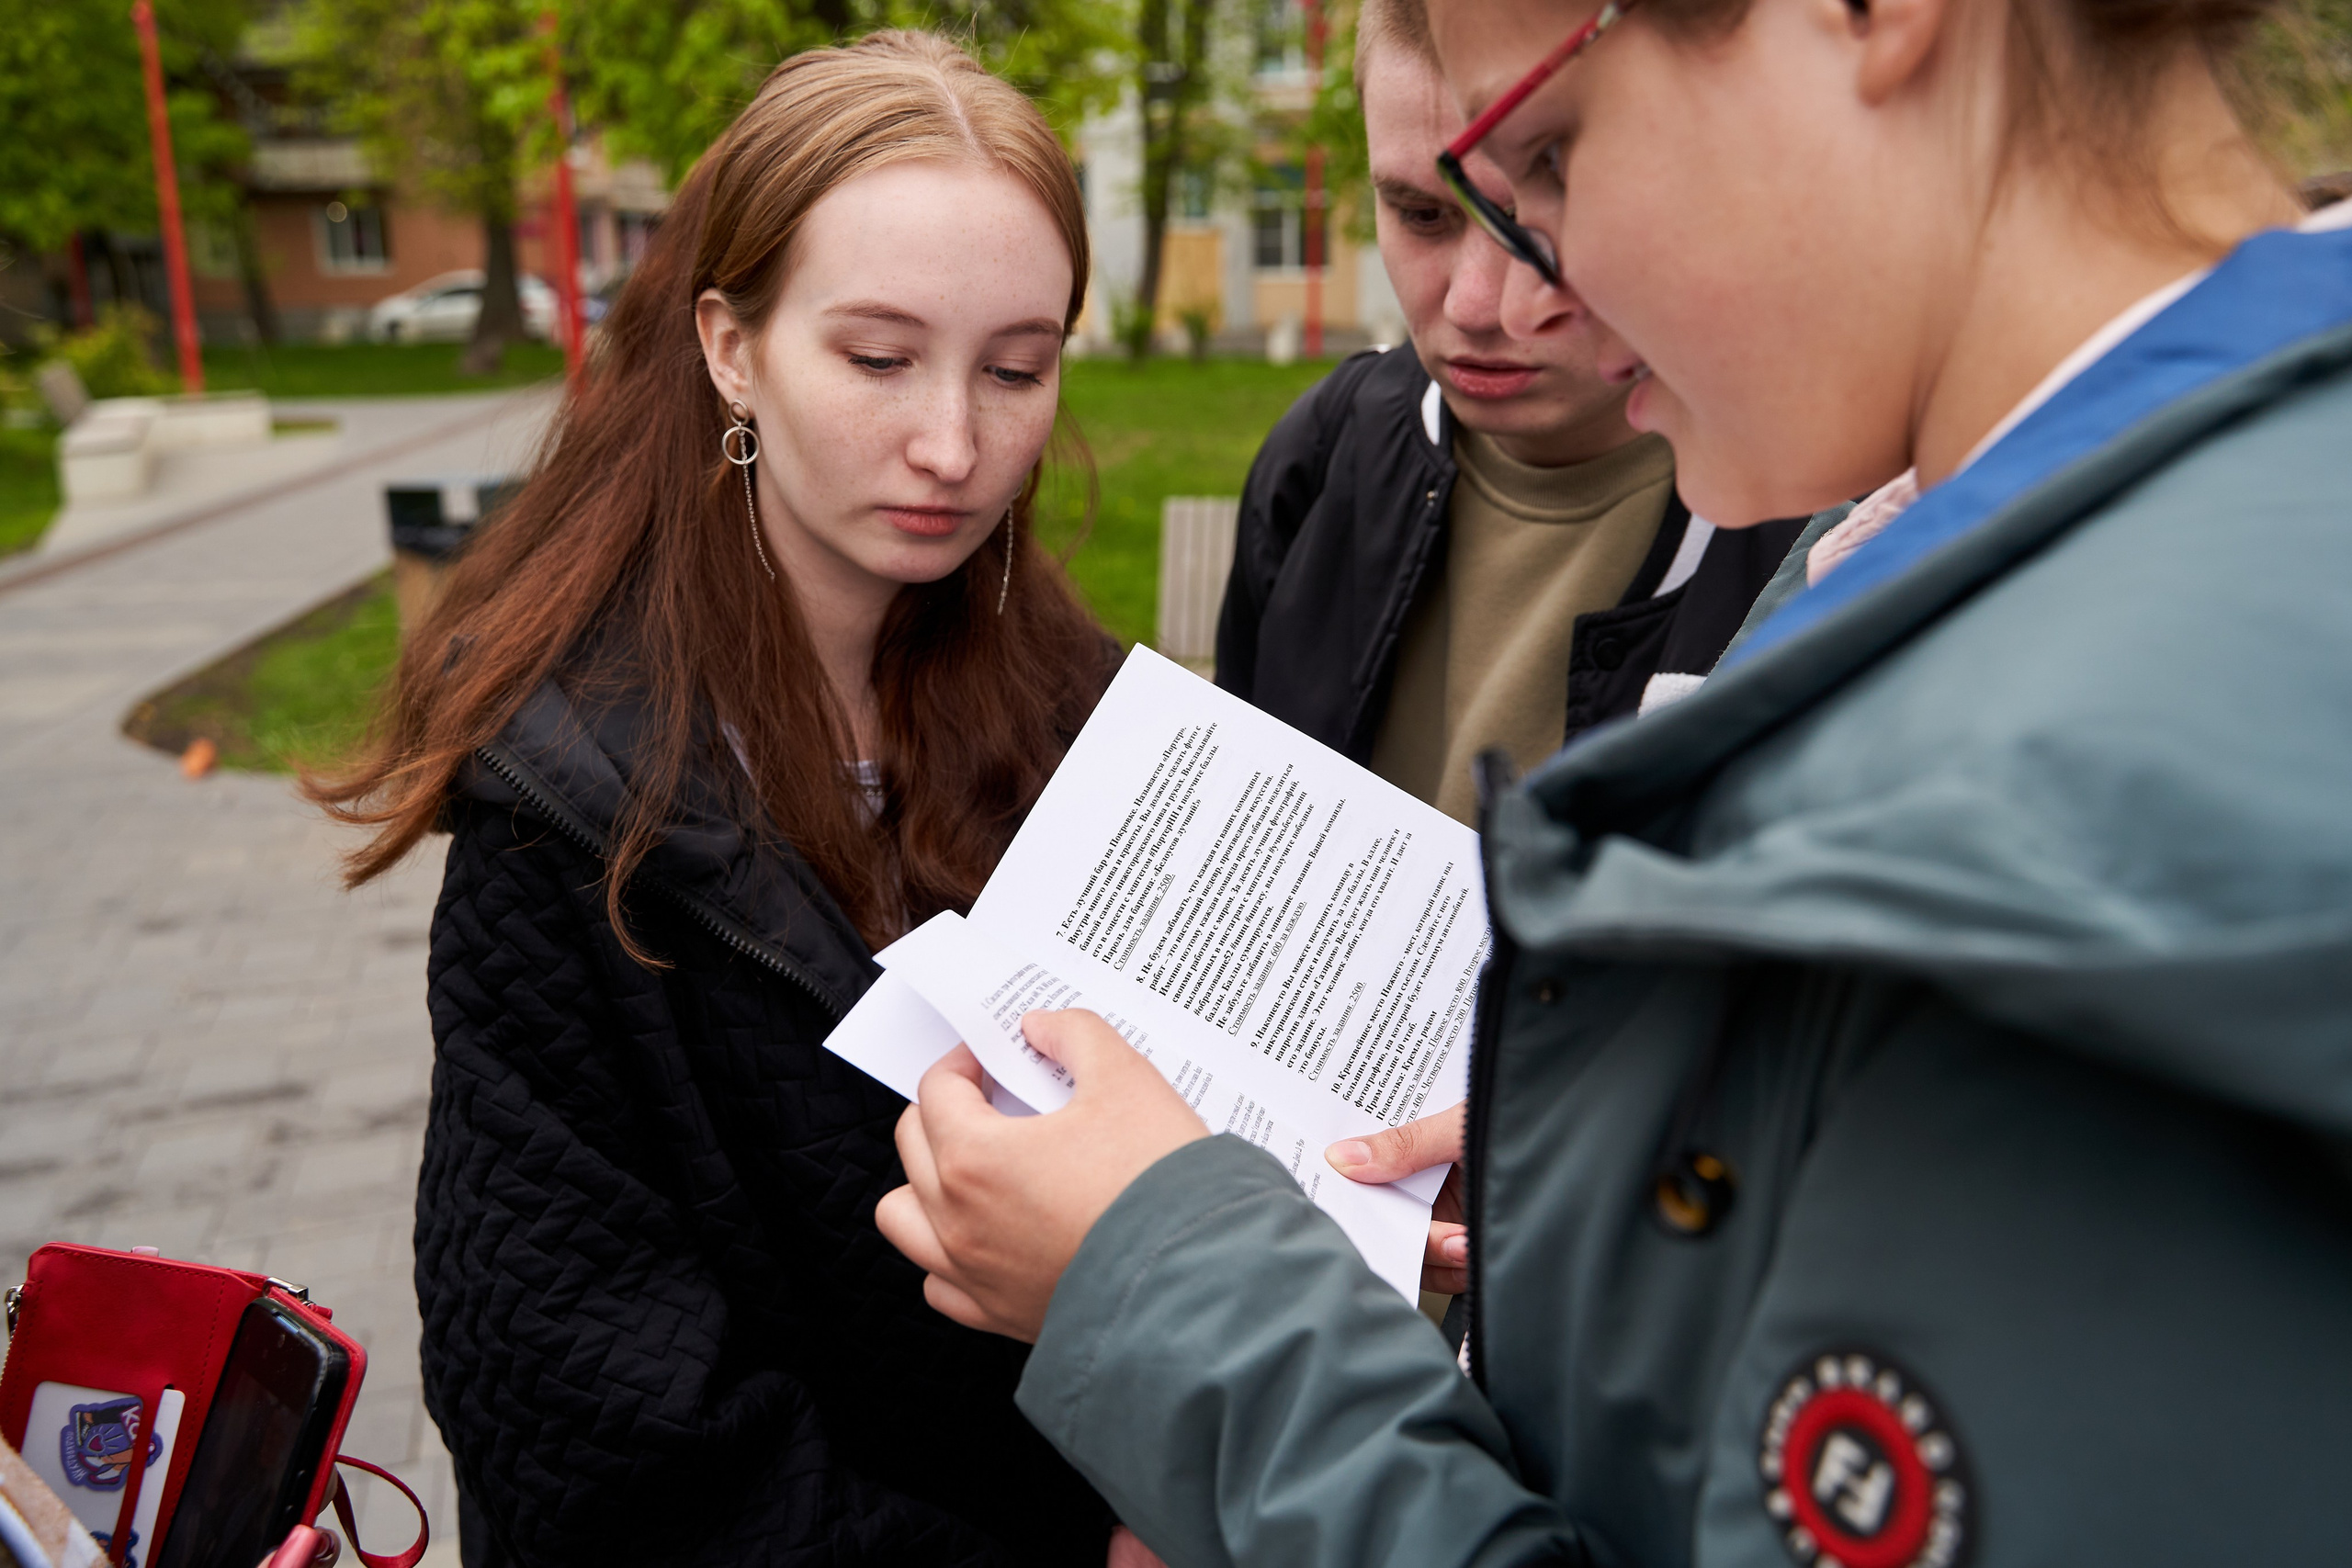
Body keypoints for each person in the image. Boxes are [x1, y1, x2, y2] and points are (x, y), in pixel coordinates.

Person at [875, 1, 2352, 1564]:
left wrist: (1170, 1289)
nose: (1531, 290)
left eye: (1552, 156)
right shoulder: (2042, 557)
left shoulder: (2060, 796)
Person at [309, 32, 1124, 1567]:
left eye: (1017, 368)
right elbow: (599, 1443)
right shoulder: (571, 804)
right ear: (730, 346)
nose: (955, 443)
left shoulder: (1091, 723)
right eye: (878, 357)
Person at [1218, 0, 1804, 830]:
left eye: (1540, 216)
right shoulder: (1324, 454)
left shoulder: (1822, 519)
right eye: (1422, 215)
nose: (1479, 303)